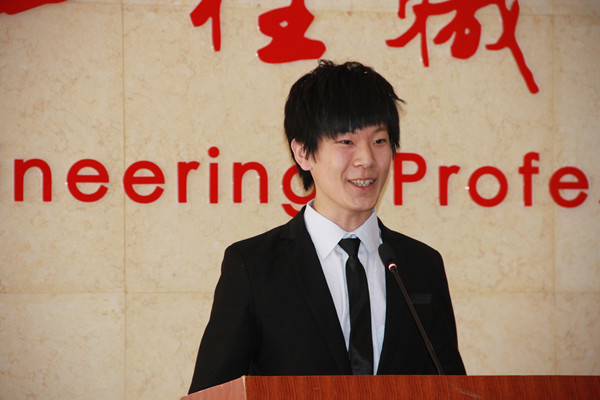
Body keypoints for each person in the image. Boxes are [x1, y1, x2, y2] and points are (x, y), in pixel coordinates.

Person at [188, 60, 465, 394]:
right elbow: (212, 393)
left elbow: (453, 387)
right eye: (346, 141)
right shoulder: (253, 266)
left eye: (379, 140)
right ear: (303, 152)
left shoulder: (420, 265)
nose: (366, 159)